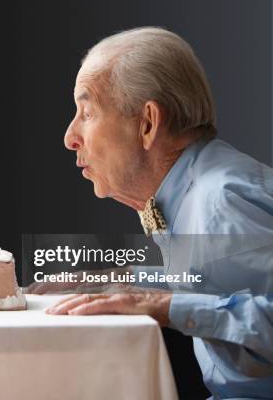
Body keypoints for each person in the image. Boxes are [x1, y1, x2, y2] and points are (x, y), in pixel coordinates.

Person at [34, 27, 273, 398]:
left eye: (88, 112)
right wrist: (120, 281)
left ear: (147, 123)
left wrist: (163, 305)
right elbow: (218, 283)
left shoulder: (221, 200)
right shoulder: (199, 188)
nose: (70, 137)